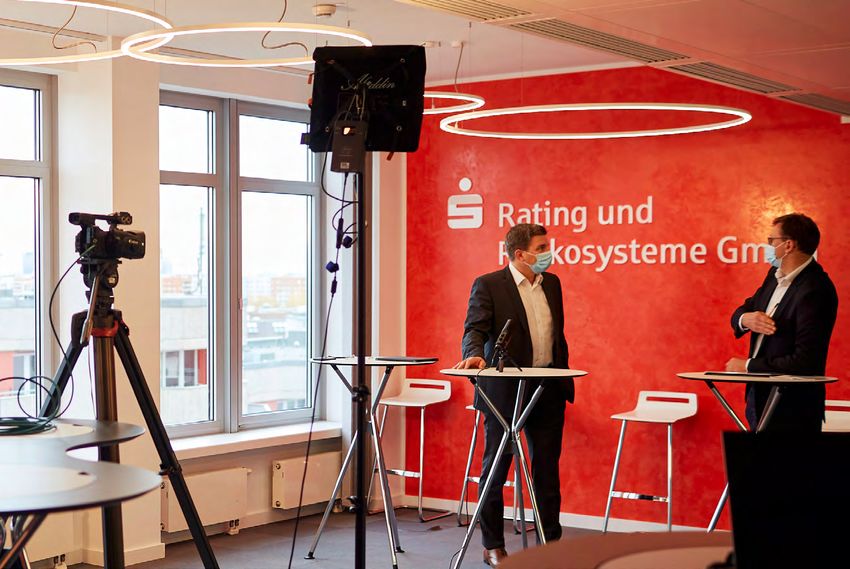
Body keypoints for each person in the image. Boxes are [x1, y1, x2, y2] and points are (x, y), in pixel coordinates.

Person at [454, 223, 573, 567]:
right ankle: (493, 544)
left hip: (547, 388)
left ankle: (550, 544)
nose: (549, 252)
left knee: (547, 471)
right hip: (505, 392)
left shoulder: (552, 283)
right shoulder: (489, 284)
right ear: (520, 254)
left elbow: (555, 334)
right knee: (496, 468)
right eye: (542, 247)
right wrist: (474, 354)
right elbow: (475, 328)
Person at [726, 213, 838, 431]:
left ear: (788, 245)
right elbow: (745, 309)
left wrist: (747, 366)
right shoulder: (774, 275)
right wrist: (745, 319)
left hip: (792, 408)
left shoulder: (816, 289)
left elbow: (805, 361)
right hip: (759, 397)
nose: (767, 247)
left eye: (771, 240)